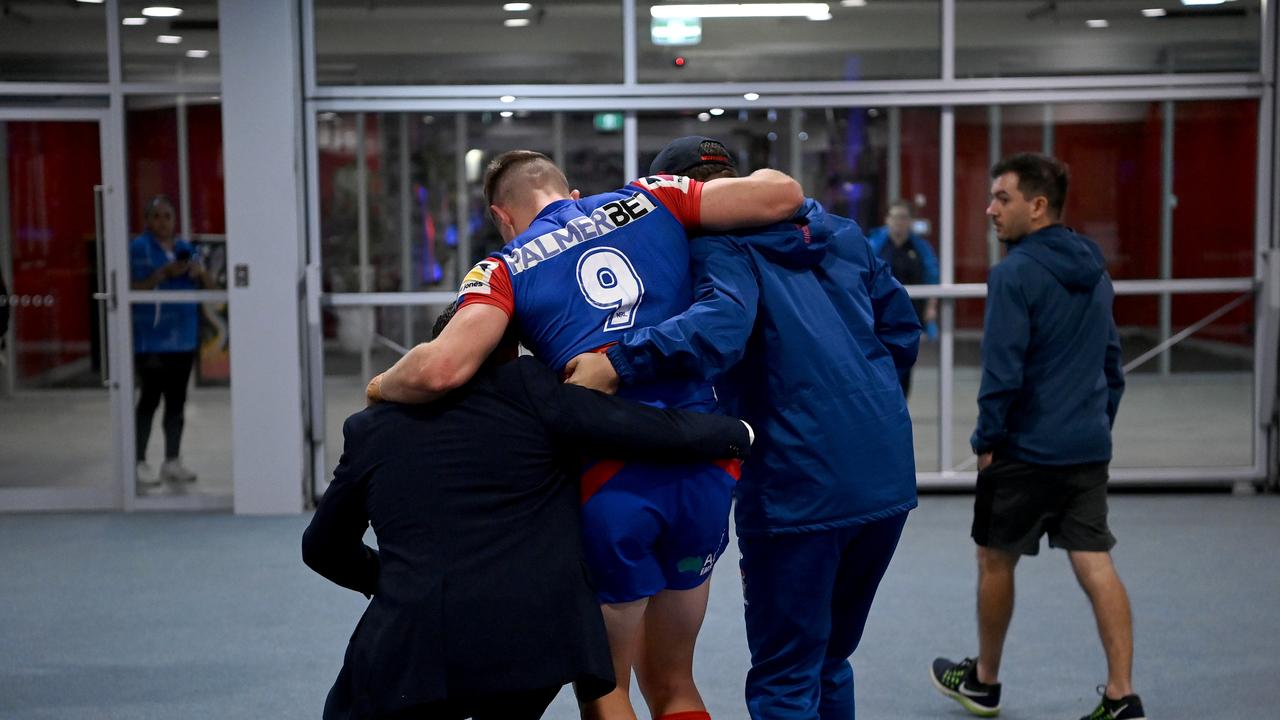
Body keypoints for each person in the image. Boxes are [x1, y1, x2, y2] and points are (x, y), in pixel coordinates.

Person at [367, 148, 803, 720]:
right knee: (675, 681)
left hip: (612, 477)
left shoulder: (503, 267)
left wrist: (378, 386)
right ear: (570, 193)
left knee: (606, 687)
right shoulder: (652, 196)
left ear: (503, 216)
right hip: (706, 461)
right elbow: (782, 195)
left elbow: (440, 369)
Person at [565, 135, 921, 720]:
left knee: (787, 675)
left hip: (800, 482)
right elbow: (901, 332)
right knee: (831, 658)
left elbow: (721, 325)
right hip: (885, 474)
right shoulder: (844, 234)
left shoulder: (719, 243)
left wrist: (619, 362)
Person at [303, 302, 752, 720]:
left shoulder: (370, 428)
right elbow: (640, 428)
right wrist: (740, 434)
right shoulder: (532, 389)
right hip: (537, 648)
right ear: (509, 350)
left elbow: (323, 547)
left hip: (415, 644)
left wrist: (389, 580)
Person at [928, 153, 1142, 720]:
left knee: (995, 561)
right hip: (1086, 449)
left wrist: (987, 441)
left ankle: (985, 681)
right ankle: (1122, 695)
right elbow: (1112, 364)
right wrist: (1096, 422)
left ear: (1038, 206)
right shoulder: (1095, 267)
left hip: (1023, 451)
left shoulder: (1013, 274)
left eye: (1002, 198)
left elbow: (1003, 371)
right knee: (1096, 563)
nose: (990, 209)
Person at [129, 195, 214, 490]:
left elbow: (211, 287)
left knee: (176, 402)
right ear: (147, 221)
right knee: (149, 400)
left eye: (167, 216)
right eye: (156, 216)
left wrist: (200, 273)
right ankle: (138, 460)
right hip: (151, 339)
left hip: (183, 338)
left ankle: (172, 461)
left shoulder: (185, 249)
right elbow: (130, 287)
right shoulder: (138, 248)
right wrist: (162, 274)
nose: (162, 222)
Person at [867, 199, 939, 396]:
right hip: (880, 318)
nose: (899, 222)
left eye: (904, 217)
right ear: (887, 220)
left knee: (905, 367)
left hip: (909, 318)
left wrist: (931, 307)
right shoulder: (875, 246)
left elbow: (932, 276)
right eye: (895, 217)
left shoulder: (920, 248)